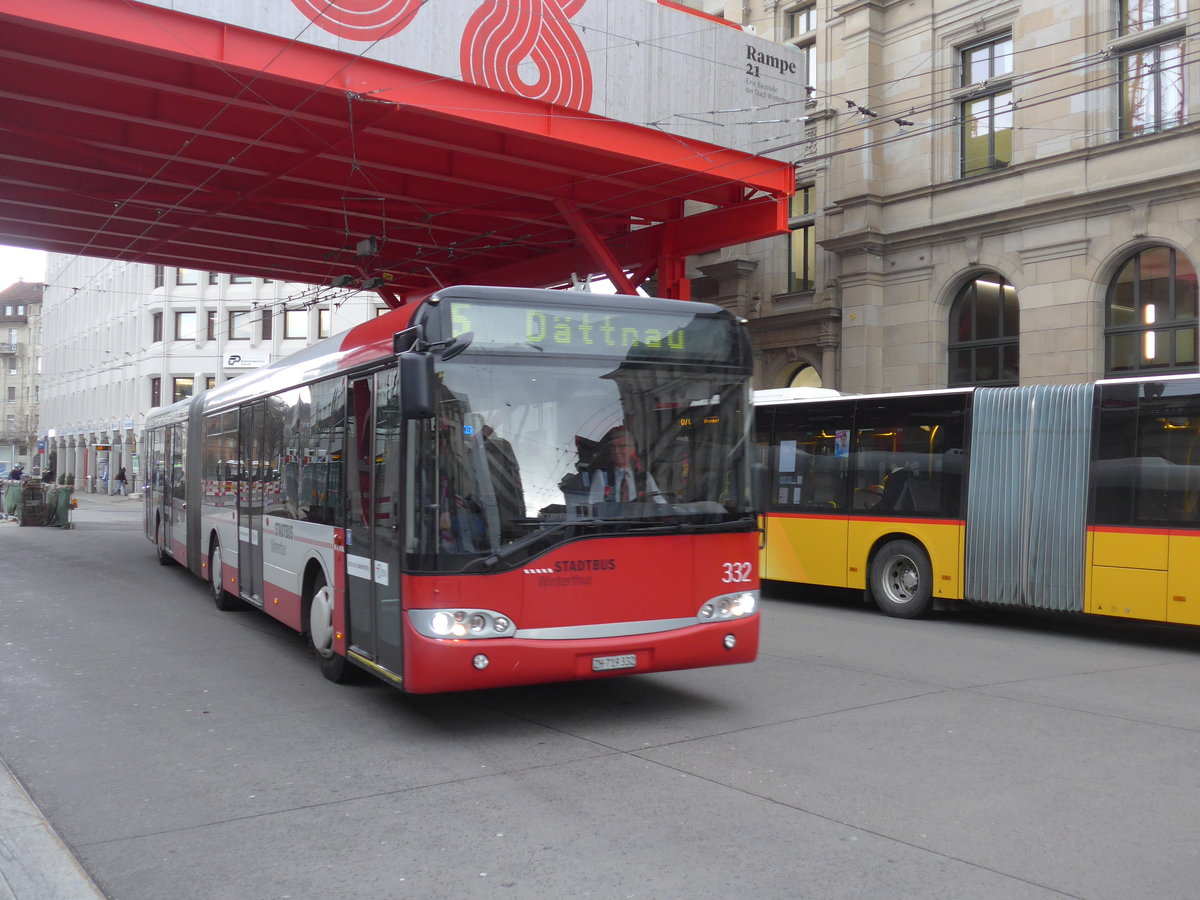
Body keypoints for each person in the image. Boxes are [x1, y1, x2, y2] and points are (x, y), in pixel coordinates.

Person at [588, 426, 665, 504]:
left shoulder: (644, 476)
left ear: (632, 449)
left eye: (622, 446)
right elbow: (595, 505)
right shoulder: (602, 475)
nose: (616, 451)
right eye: (613, 446)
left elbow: (660, 502)